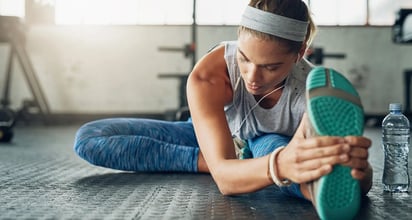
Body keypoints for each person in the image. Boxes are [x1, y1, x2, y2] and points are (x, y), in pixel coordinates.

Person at [74, 0, 373, 219]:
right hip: (210, 137)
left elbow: (345, 170)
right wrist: (229, 166)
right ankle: (215, 161)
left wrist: (358, 172)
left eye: (271, 67)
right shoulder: (209, 74)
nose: (252, 77)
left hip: (271, 145)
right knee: (91, 138)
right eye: (244, 58)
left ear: (300, 51)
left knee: (276, 148)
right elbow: (227, 183)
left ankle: (312, 192)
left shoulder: (311, 91)